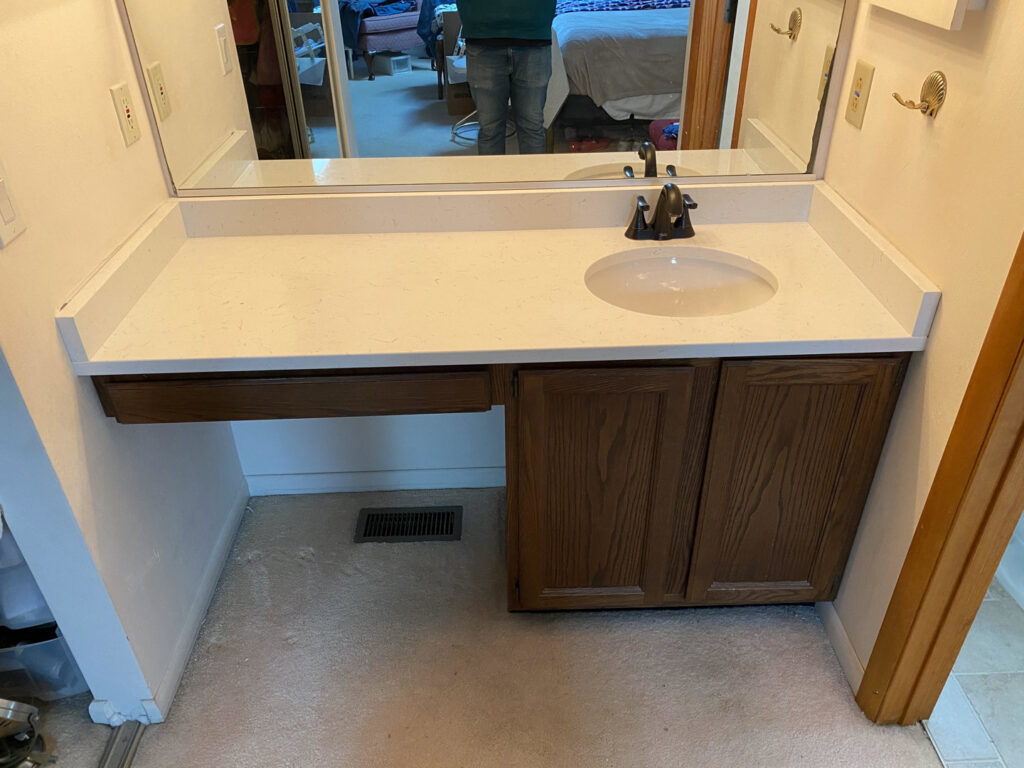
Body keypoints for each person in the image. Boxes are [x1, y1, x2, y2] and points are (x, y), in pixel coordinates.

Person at [455, 0, 556, 155]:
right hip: (482, 33)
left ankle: (534, 179)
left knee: (531, 126)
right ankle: (493, 180)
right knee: (491, 128)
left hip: (534, 33)